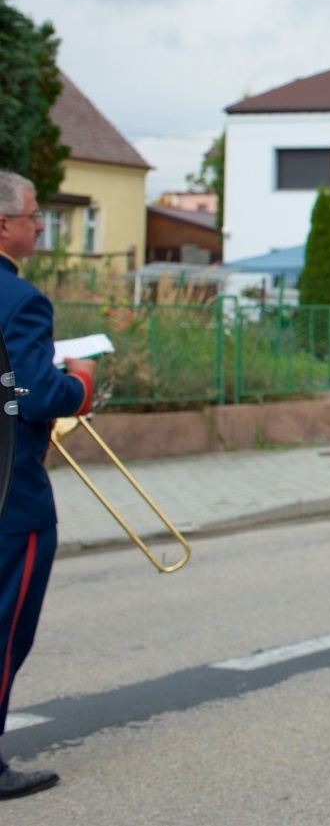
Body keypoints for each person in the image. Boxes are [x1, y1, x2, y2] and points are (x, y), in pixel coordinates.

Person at [0, 171, 96, 800]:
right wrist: (81, 385)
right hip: (11, 496)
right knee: (6, 631)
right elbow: (35, 394)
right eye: (34, 215)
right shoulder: (20, 298)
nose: (41, 224)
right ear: (3, 224)